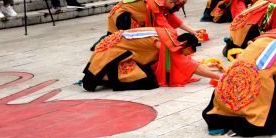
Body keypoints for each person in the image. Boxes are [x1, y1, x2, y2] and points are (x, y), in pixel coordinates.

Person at [83, 28, 221, 91]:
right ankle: (103, 77)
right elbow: (186, 63)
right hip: (111, 54)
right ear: (183, 45)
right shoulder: (166, 44)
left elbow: (185, 60)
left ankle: (104, 76)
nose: (184, 55)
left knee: (148, 74)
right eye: (186, 52)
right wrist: (218, 77)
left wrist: (208, 68)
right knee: (148, 81)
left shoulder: (170, 34)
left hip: (118, 47)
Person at [106, 0, 201, 36]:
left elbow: (173, 19)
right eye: (178, 7)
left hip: (129, 15)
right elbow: (163, 24)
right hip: (120, 16)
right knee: (122, 39)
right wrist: (179, 37)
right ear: (172, 3)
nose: (178, 10)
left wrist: (192, 31)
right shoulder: (155, 5)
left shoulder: (163, 0)